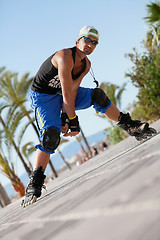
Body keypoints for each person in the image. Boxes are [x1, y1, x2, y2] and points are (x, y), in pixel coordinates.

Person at [21, 26, 156, 207]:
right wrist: (72, 122)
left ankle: (130, 126)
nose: (90, 44)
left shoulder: (86, 65)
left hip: (63, 95)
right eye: (87, 39)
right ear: (78, 41)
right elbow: (67, 94)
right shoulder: (64, 57)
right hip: (44, 98)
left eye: (94, 42)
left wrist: (67, 117)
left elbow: (73, 91)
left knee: (97, 96)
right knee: (50, 136)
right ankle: (35, 182)